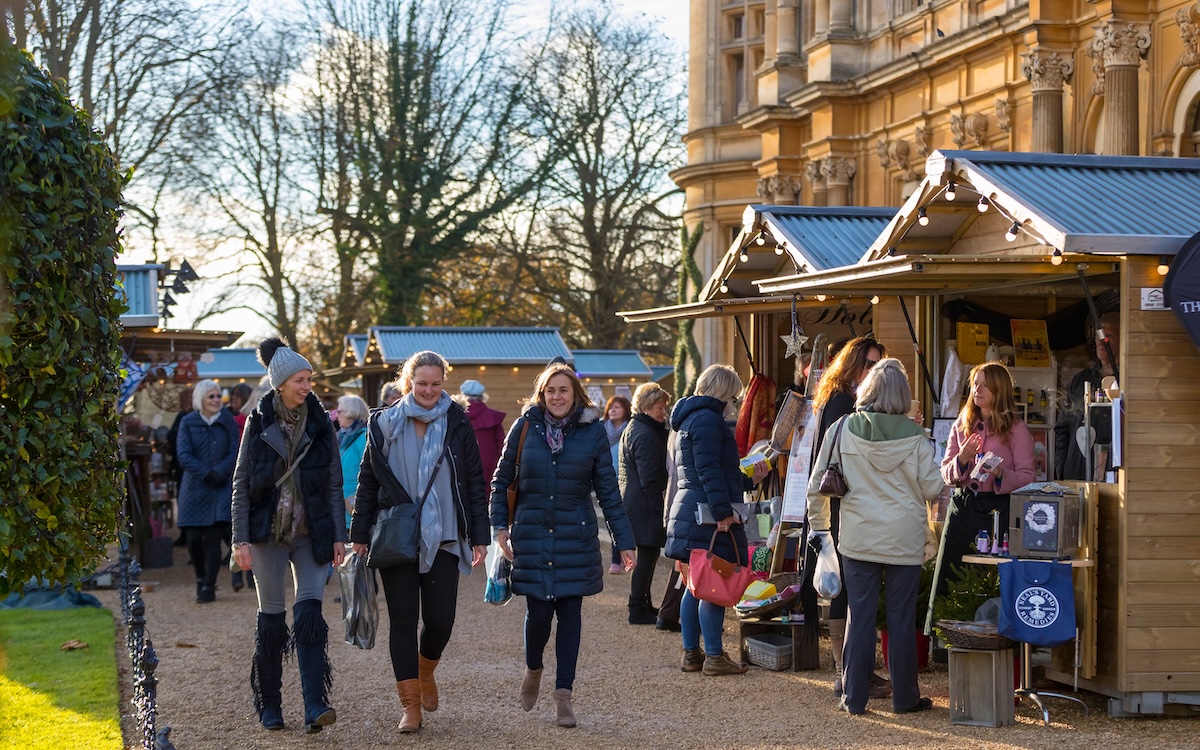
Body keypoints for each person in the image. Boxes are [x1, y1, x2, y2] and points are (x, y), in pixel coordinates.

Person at [350, 351, 489, 734]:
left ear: (444, 382)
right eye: (422, 383)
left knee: (441, 620)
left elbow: (473, 480)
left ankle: (426, 670)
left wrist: (480, 535)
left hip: (444, 535)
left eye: (436, 384)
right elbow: (368, 481)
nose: (429, 391)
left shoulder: (457, 420)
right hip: (397, 535)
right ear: (408, 382)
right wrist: (359, 535)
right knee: (403, 620)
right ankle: (410, 706)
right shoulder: (383, 423)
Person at [491, 363, 636, 728]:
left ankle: (563, 696)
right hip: (532, 535)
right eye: (550, 390)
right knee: (539, 614)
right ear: (542, 394)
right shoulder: (524, 426)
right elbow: (501, 481)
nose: (557, 397)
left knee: (571, 615)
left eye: (564, 390)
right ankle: (533, 668)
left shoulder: (592, 431)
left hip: (576, 536)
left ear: (575, 395)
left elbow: (608, 491)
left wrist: (624, 541)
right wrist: (499, 526)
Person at [806, 358, 944, 715]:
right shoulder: (916, 436)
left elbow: (817, 485)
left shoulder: (841, 428)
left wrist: (821, 530)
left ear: (867, 389)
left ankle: (854, 697)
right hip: (904, 538)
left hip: (858, 536)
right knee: (901, 620)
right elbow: (932, 487)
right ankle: (905, 698)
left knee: (859, 616)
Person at [231, 337, 346, 734]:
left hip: (311, 533)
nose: (307, 386)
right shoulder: (257, 422)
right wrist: (240, 539)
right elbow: (241, 483)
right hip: (267, 533)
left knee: (310, 616)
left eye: (309, 379)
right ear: (280, 383)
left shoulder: (322, 424)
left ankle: (315, 704)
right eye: (300, 380)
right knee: (272, 621)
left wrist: (338, 535)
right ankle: (270, 704)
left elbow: (334, 484)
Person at [664, 364, 769, 677]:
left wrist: (748, 481)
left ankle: (691, 652)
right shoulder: (709, 420)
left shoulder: (689, 418)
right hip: (707, 514)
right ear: (724, 392)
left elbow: (708, 469)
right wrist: (723, 512)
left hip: (691, 509)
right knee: (714, 583)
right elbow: (709, 470)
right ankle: (713, 655)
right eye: (734, 396)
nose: (734, 403)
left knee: (694, 584)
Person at [802, 336, 887, 697]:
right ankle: (845, 671)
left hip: (846, 503)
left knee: (849, 586)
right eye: (869, 363)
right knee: (845, 586)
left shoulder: (845, 396)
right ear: (853, 363)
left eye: (878, 364)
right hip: (842, 504)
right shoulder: (842, 399)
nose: (873, 370)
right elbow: (841, 456)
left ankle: (851, 670)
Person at [940, 361, 1037, 569]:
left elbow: (1028, 477)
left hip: (998, 512)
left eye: (985, 385)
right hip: (962, 510)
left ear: (999, 389)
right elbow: (946, 473)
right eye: (975, 384)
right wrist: (962, 459)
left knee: (990, 574)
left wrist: (1001, 473)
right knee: (952, 574)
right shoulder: (961, 424)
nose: (978, 389)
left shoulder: (1016, 428)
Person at [175, 379, 239, 603]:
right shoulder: (188, 422)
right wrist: (205, 472)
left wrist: (220, 472)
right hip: (195, 486)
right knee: (193, 539)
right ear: (200, 398)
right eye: (211, 396)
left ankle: (208, 586)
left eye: (218, 396)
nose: (216, 400)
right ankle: (200, 576)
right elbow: (183, 454)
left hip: (220, 487)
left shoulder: (227, 421)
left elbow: (235, 450)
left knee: (213, 538)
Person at [619, 382, 672, 625]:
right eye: (660, 407)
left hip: (634, 500)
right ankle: (637, 608)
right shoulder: (646, 434)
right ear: (646, 408)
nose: (664, 412)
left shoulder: (636, 428)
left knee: (647, 554)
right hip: (644, 503)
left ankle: (643, 604)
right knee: (647, 555)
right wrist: (660, 508)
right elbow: (650, 478)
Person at [1055, 311, 1119, 480]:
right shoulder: (1081, 380)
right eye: (1099, 335)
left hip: (1113, 476)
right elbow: (1063, 428)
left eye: (1109, 336)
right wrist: (1062, 467)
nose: (1101, 341)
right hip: (1075, 474)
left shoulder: (1126, 382)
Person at [602, 394, 632, 574]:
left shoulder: (630, 431)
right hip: (607, 481)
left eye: (617, 407)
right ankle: (616, 559)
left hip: (626, 482)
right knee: (611, 521)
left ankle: (621, 557)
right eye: (611, 407)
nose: (613, 410)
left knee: (622, 520)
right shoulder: (601, 430)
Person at [460, 379, 506, 481]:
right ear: (482, 396)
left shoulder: (457, 417)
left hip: (463, 462)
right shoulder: (492, 417)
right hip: (490, 464)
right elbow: (501, 444)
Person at [335, 394, 369, 531]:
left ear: (351, 412)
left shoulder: (364, 438)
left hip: (354, 506)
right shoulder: (341, 437)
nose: (336, 416)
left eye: (339, 412)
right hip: (340, 507)